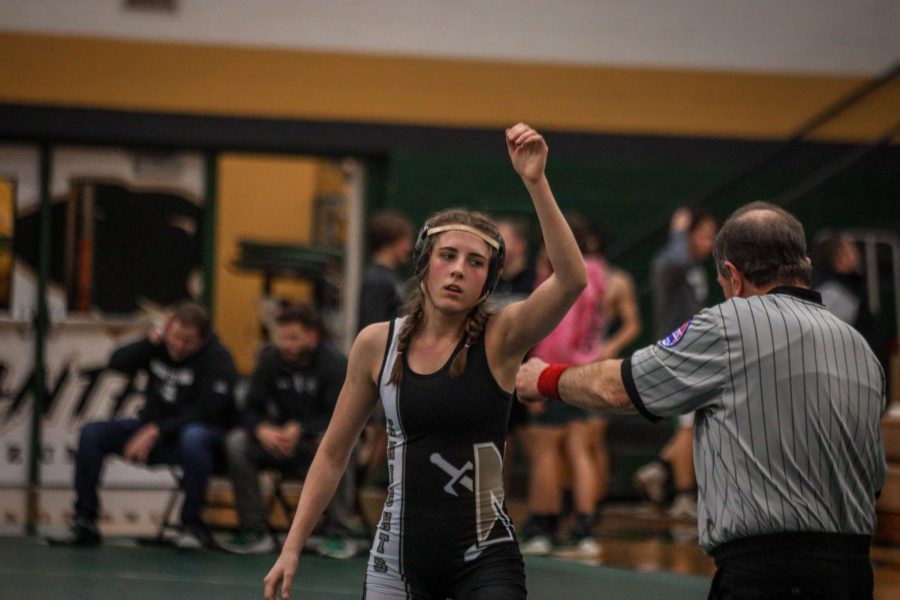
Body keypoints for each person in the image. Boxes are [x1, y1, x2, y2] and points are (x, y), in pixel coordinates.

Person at [264, 123, 587, 600]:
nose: (459, 269)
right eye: (448, 255)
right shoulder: (377, 344)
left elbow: (571, 280)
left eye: (475, 262)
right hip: (398, 561)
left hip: (485, 560)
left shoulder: (500, 338)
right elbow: (333, 453)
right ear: (424, 263)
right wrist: (292, 546)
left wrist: (536, 182)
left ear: (487, 281)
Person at [517, 201, 888, 599]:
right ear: (805, 264)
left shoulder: (731, 323)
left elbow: (619, 387)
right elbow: (873, 476)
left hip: (769, 573)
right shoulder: (859, 347)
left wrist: (545, 378)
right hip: (853, 570)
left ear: (732, 274)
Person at [51, 301, 237, 550]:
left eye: (188, 341)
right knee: (93, 434)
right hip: (153, 430)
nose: (179, 346)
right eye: (175, 337)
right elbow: (116, 363)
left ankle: (192, 526)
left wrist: (157, 430)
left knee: (195, 436)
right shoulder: (158, 346)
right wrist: (150, 341)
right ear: (167, 329)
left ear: (202, 339)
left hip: (199, 440)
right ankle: (85, 520)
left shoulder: (218, 358)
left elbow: (209, 410)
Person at [221, 303, 362, 556]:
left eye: (293, 338)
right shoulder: (270, 360)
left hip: (317, 445)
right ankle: (253, 529)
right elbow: (247, 409)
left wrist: (304, 429)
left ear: (312, 336)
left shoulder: (334, 363)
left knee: (343, 445)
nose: (286, 344)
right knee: (237, 442)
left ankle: (339, 532)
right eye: (282, 337)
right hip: (279, 442)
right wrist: (262, 430)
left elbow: (344, 416)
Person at [519, 214, 606, 558]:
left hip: (556, 370)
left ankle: (543, 527)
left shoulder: (561, 276)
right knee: (579, 450)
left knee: (543, 451)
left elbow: (559, 332)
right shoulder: (598, 273)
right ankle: (585, 528)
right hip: (586, 370)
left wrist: (541, 379)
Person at [635, 206, 718, 519]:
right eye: (703, 236)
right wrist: (678, 232)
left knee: (692, 426)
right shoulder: (670, 263)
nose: (708, 244)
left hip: (694, 356)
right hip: (677, 358)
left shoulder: (693, 268)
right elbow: (673, 260)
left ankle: (659, 469)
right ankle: (684, 498)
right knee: (689, 427)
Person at [356, 210, 415, 489]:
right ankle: (350, 494)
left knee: (382, 435)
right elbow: (373, 326)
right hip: (383, 367)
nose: (409, 247)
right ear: (391, 241)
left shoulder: (389, 277)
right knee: (377, 434)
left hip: (393, 364)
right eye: (405, 240)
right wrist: (379, 368)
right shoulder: (378, 280)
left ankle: (353, 494)